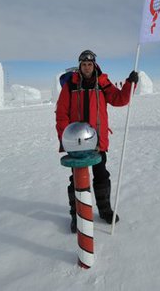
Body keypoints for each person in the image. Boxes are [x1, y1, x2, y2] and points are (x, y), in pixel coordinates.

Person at [56, 49, 139, 233]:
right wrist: (66, 137)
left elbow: (119, 99)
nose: (87, 67)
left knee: (101, 175)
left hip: (97, 142)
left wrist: (129, 84)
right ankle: (77, 216)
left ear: (94, 65)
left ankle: (105, 210)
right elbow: (61, 114)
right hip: (76, 143)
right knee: (76, 179)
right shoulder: (70, 86)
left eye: (90, 64)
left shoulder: (102, 83)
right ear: (80, 66)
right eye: (84, 64)